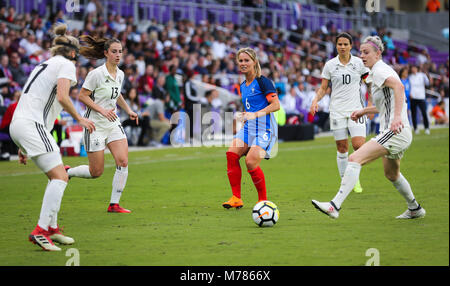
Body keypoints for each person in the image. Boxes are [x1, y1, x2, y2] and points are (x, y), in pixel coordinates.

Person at [312, 36, 426, 220]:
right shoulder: (377, 71)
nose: (362, 56)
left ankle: (334, 206)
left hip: (395, 131)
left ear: (378, 53)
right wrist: (364, 110)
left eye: (366, 52)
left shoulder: (380, 70)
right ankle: (415, 208)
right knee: (392, 174)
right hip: (396, 131)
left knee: (355, 158)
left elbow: (399, 87)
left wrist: (397, 118)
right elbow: (385, 104)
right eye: (361, 52)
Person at [9, 24, 95, 251]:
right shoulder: (66, 65)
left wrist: (22, 145)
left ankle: (52, 228)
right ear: (73, 53)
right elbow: (63, 96)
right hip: (31, 125)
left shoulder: (44, 64)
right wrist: (80, 118)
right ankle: (40, 231)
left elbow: (43, 103)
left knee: (56, 175)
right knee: (60, 176)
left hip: (21, 125)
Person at [66, 35, 138, 213]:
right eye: (114, 51)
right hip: (94, 125)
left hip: (112, 123)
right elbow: (82, 96)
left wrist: (128, 110)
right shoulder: (96, 74)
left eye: (120, 52)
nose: (118, 55)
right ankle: (68, 172)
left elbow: (117, 94)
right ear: (106, 53)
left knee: (123, 161)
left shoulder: (120, 74)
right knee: (95, 172)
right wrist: (102, 110)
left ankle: (114, 204)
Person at [310, 32, 369, 193]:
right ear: (336, 46)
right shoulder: (330, 65)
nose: (342, 47)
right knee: (342, 148)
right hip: (336, 111)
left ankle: (354, 177)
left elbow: (369, 83)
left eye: (345, 44)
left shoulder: (359, 63)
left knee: (359, 146)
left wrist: (370, 105)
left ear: (351, 46)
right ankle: (348, 182)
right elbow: (323, 88)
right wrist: (315, 100)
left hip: (356, 110)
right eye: (339, 44)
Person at [222, 47, 280, 209]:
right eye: (240, 61)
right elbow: (252, 107)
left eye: (246, 60)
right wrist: (246, 114)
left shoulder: (263, 81)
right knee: (231, 154)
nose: (243, 63)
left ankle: (263, 201)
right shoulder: (243, 85)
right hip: (249, 128)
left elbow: (276, 105)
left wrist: (255, 114)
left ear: (254, 62)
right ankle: (236, 198)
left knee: (251, 161)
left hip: (265, 129)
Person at [409, 65, 430, 134]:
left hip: (421, 97)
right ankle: (415, 128)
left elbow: (427, 83)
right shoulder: (410, 77)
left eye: (414, 68)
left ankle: (427, 128)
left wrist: (427, 75)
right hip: (413, 98)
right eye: (412, 68)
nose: (413, 69)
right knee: (413, 114)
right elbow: (409, 86)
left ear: (417, 68)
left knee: (424, 113)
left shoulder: (422, 75)